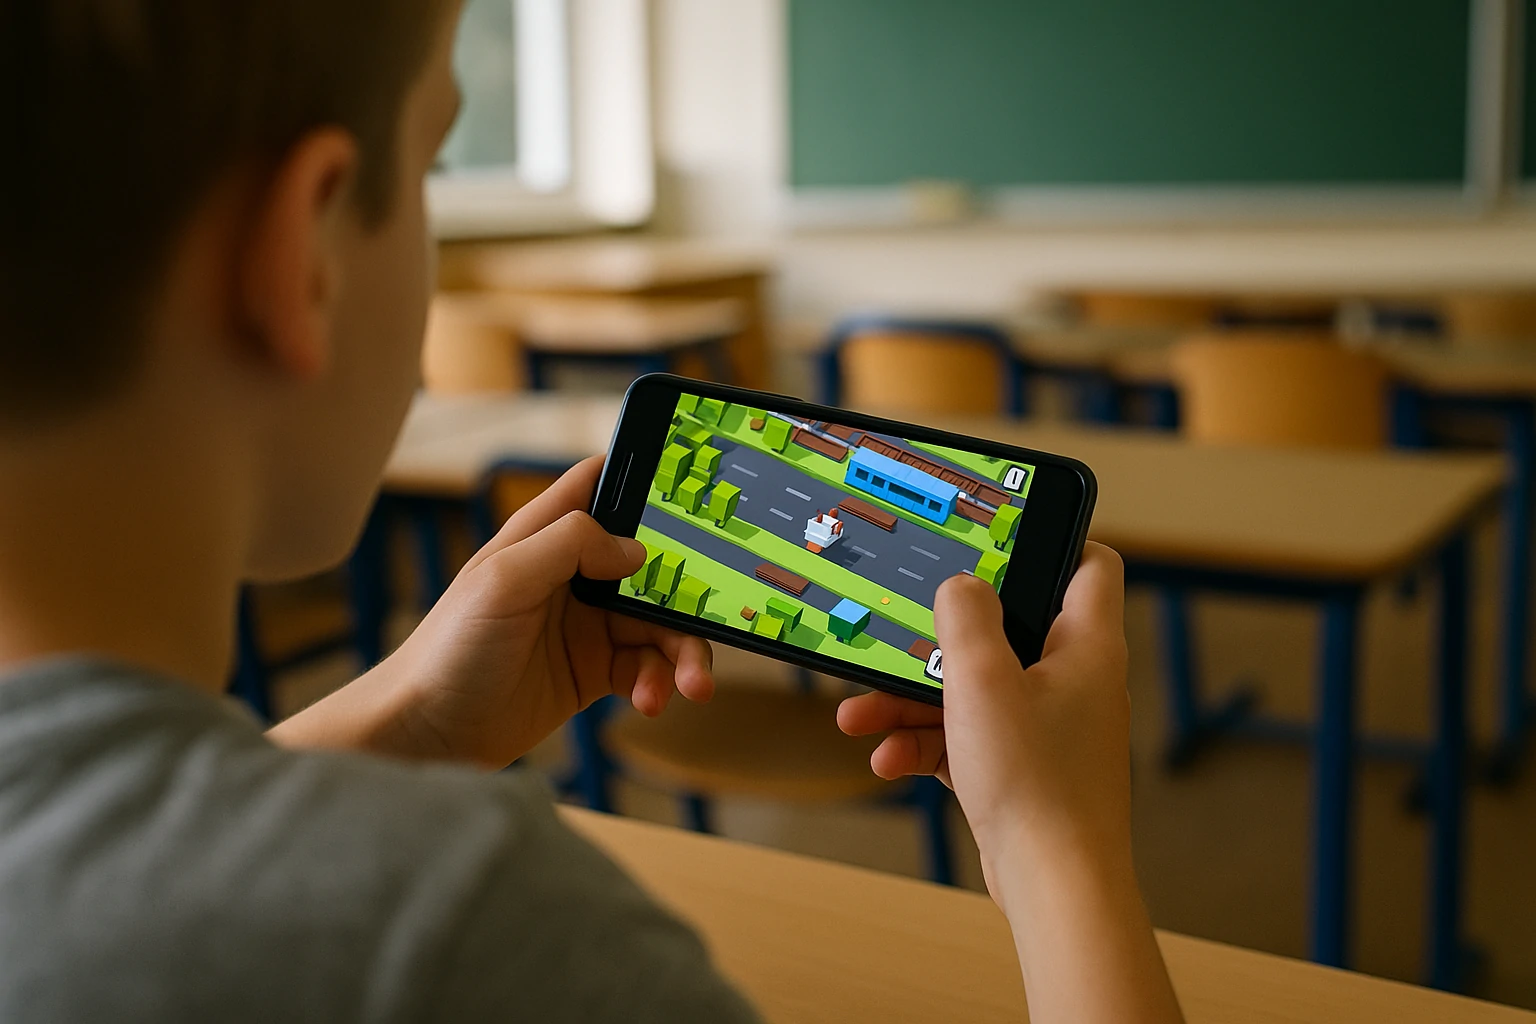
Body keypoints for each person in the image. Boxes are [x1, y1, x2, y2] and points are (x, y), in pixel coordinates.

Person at [0, 1, 1181, 1021]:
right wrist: (1057, 849)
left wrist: (414, 723)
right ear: (302, 252)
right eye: (432, 169)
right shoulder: (457, 924)